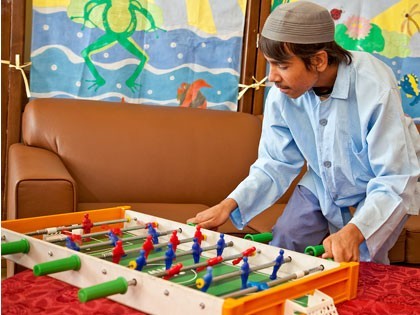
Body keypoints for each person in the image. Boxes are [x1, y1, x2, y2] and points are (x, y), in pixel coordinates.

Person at [187, 1, 420, 264]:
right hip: (322, 181)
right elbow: (274, 163)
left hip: (378, 187)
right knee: (284, 242)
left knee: (358, 263)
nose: (272, 77)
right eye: (269, 65)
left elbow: (395, 177)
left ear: (319, 60)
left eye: (282, 66)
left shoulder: (374, 85)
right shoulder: (281, 95)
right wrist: (229, 205)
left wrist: (355, 232)